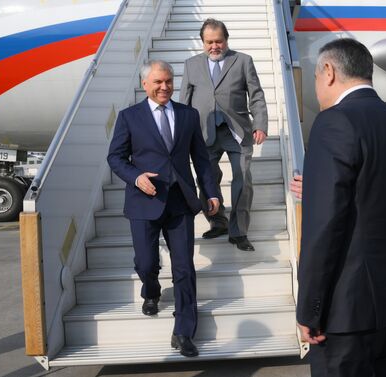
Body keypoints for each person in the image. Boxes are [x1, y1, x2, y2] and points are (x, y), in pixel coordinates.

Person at [295, 39, 386, 376]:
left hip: (348, 312)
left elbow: (323, 229)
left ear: (329, 71)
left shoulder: (333, 122)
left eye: (315, 77)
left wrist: (310, 309)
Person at [107, 60, 220, 358]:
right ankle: (151, 291)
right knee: (145, 263)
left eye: (168, 81)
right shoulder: (129, 117)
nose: (164, 87)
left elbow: (201, 158)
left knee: (184, 268)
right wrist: (136, 177)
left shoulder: (188, 115)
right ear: (145, 84)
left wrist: (211, 192)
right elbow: (115, 158)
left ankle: (183, 331)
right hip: (144, 201)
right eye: (158, 82)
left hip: (181, 202)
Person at [180, 18, 268, 251]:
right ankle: (217, 220)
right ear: (203, 42)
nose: (214, 46)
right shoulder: (191, 65)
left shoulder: (243, 61)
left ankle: (239, 231)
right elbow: (184, 103)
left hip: (236, 130)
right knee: (207, 179)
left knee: (242, 179)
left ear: (226, 40)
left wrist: (260, 124)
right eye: (209, 42)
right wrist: (182, 133)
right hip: (203, 132)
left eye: (218, 41)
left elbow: (256, 95)